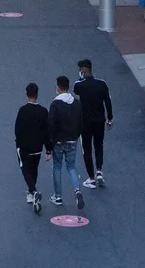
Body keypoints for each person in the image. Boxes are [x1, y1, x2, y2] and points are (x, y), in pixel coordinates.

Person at [74, 59, 113, 188]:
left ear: (84, 70)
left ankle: (91, 177)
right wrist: (110, 118)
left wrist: (81, 79)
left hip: (85, 122)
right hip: (99, 120)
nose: (79, 71)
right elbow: (107, 102)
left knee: (86, 149)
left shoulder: (79, 85)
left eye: (80, 69)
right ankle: (99, 171)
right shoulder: (102, 84)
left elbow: (76, 88)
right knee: (99, 145)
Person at [47, 75, 85, 209]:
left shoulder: (55, 104)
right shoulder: (76, 103)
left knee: (57, 167)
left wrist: (51, 141)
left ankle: (58, 197)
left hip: (58, 141)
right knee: (72, 167)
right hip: (72, 140)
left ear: (58, 87)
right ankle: (77, 190)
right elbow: (81, 121)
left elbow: (51, 124)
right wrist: (76, 135)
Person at [13, 82, 50, 214]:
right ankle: (30, 192)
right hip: (38, 147)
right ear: (37, 94)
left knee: (25, 169)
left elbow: (17, 130)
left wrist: (19, 143)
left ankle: (33, 191)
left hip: (25, 147)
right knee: (34, 169)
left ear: (27, 94)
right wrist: (48, 149)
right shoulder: (43, 111)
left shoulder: (22, 111)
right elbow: (47, 132)